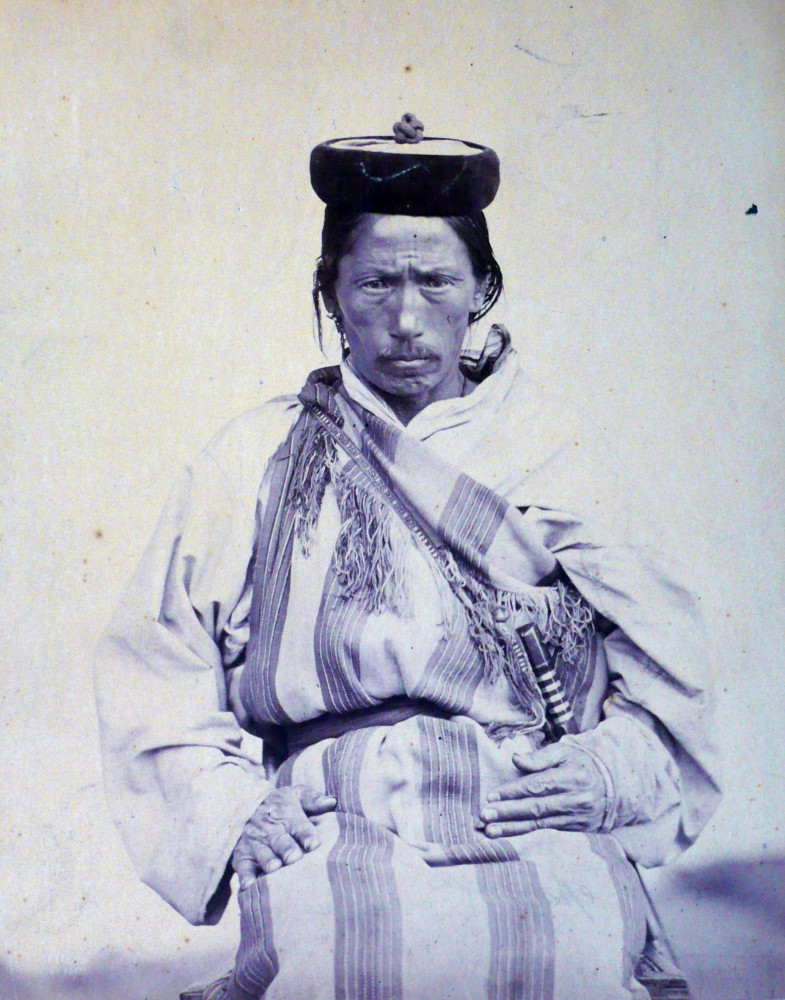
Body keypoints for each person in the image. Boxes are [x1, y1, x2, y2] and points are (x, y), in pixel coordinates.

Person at [95, 115, 721, 1000]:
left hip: (526, 803)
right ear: (329, 291)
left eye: (435, 283)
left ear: (481, 288)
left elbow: (669, 677)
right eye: (374, 283)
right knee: (340, 965)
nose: (404, 320)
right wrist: (233, 813)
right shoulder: (253, 458)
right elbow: (154, 664)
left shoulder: (562, 456)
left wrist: (605, 769)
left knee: (571, 961)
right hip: (334, 816)